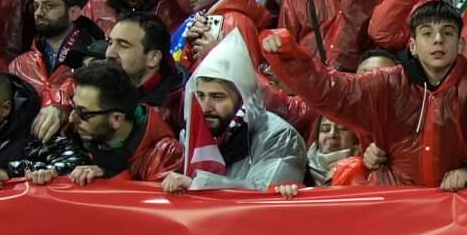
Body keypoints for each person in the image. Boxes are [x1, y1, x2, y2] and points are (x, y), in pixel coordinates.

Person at [263, 3, 467, 189]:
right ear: (412, 45)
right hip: (396, 212)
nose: (438, 40)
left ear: (461, 44)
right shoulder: (384, 85)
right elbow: (330, 90)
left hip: (459, 212)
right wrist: (290, 57)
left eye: (447, 33)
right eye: (427, 33)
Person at [165, 29, 308, 193]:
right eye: (200, 95)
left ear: (242, 99)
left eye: (217, 97)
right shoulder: (191, 133)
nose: (205, 107)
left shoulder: (280, 137)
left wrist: (197, 184)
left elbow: (263, 199)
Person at [24, 58, 182, 186]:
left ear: (116, 119)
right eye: (73, 107)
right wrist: (47, 175)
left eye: (83, 113)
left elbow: (154, 215)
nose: (72, 118)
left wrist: (107, 179)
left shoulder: (164, 154)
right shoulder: (71, 133)